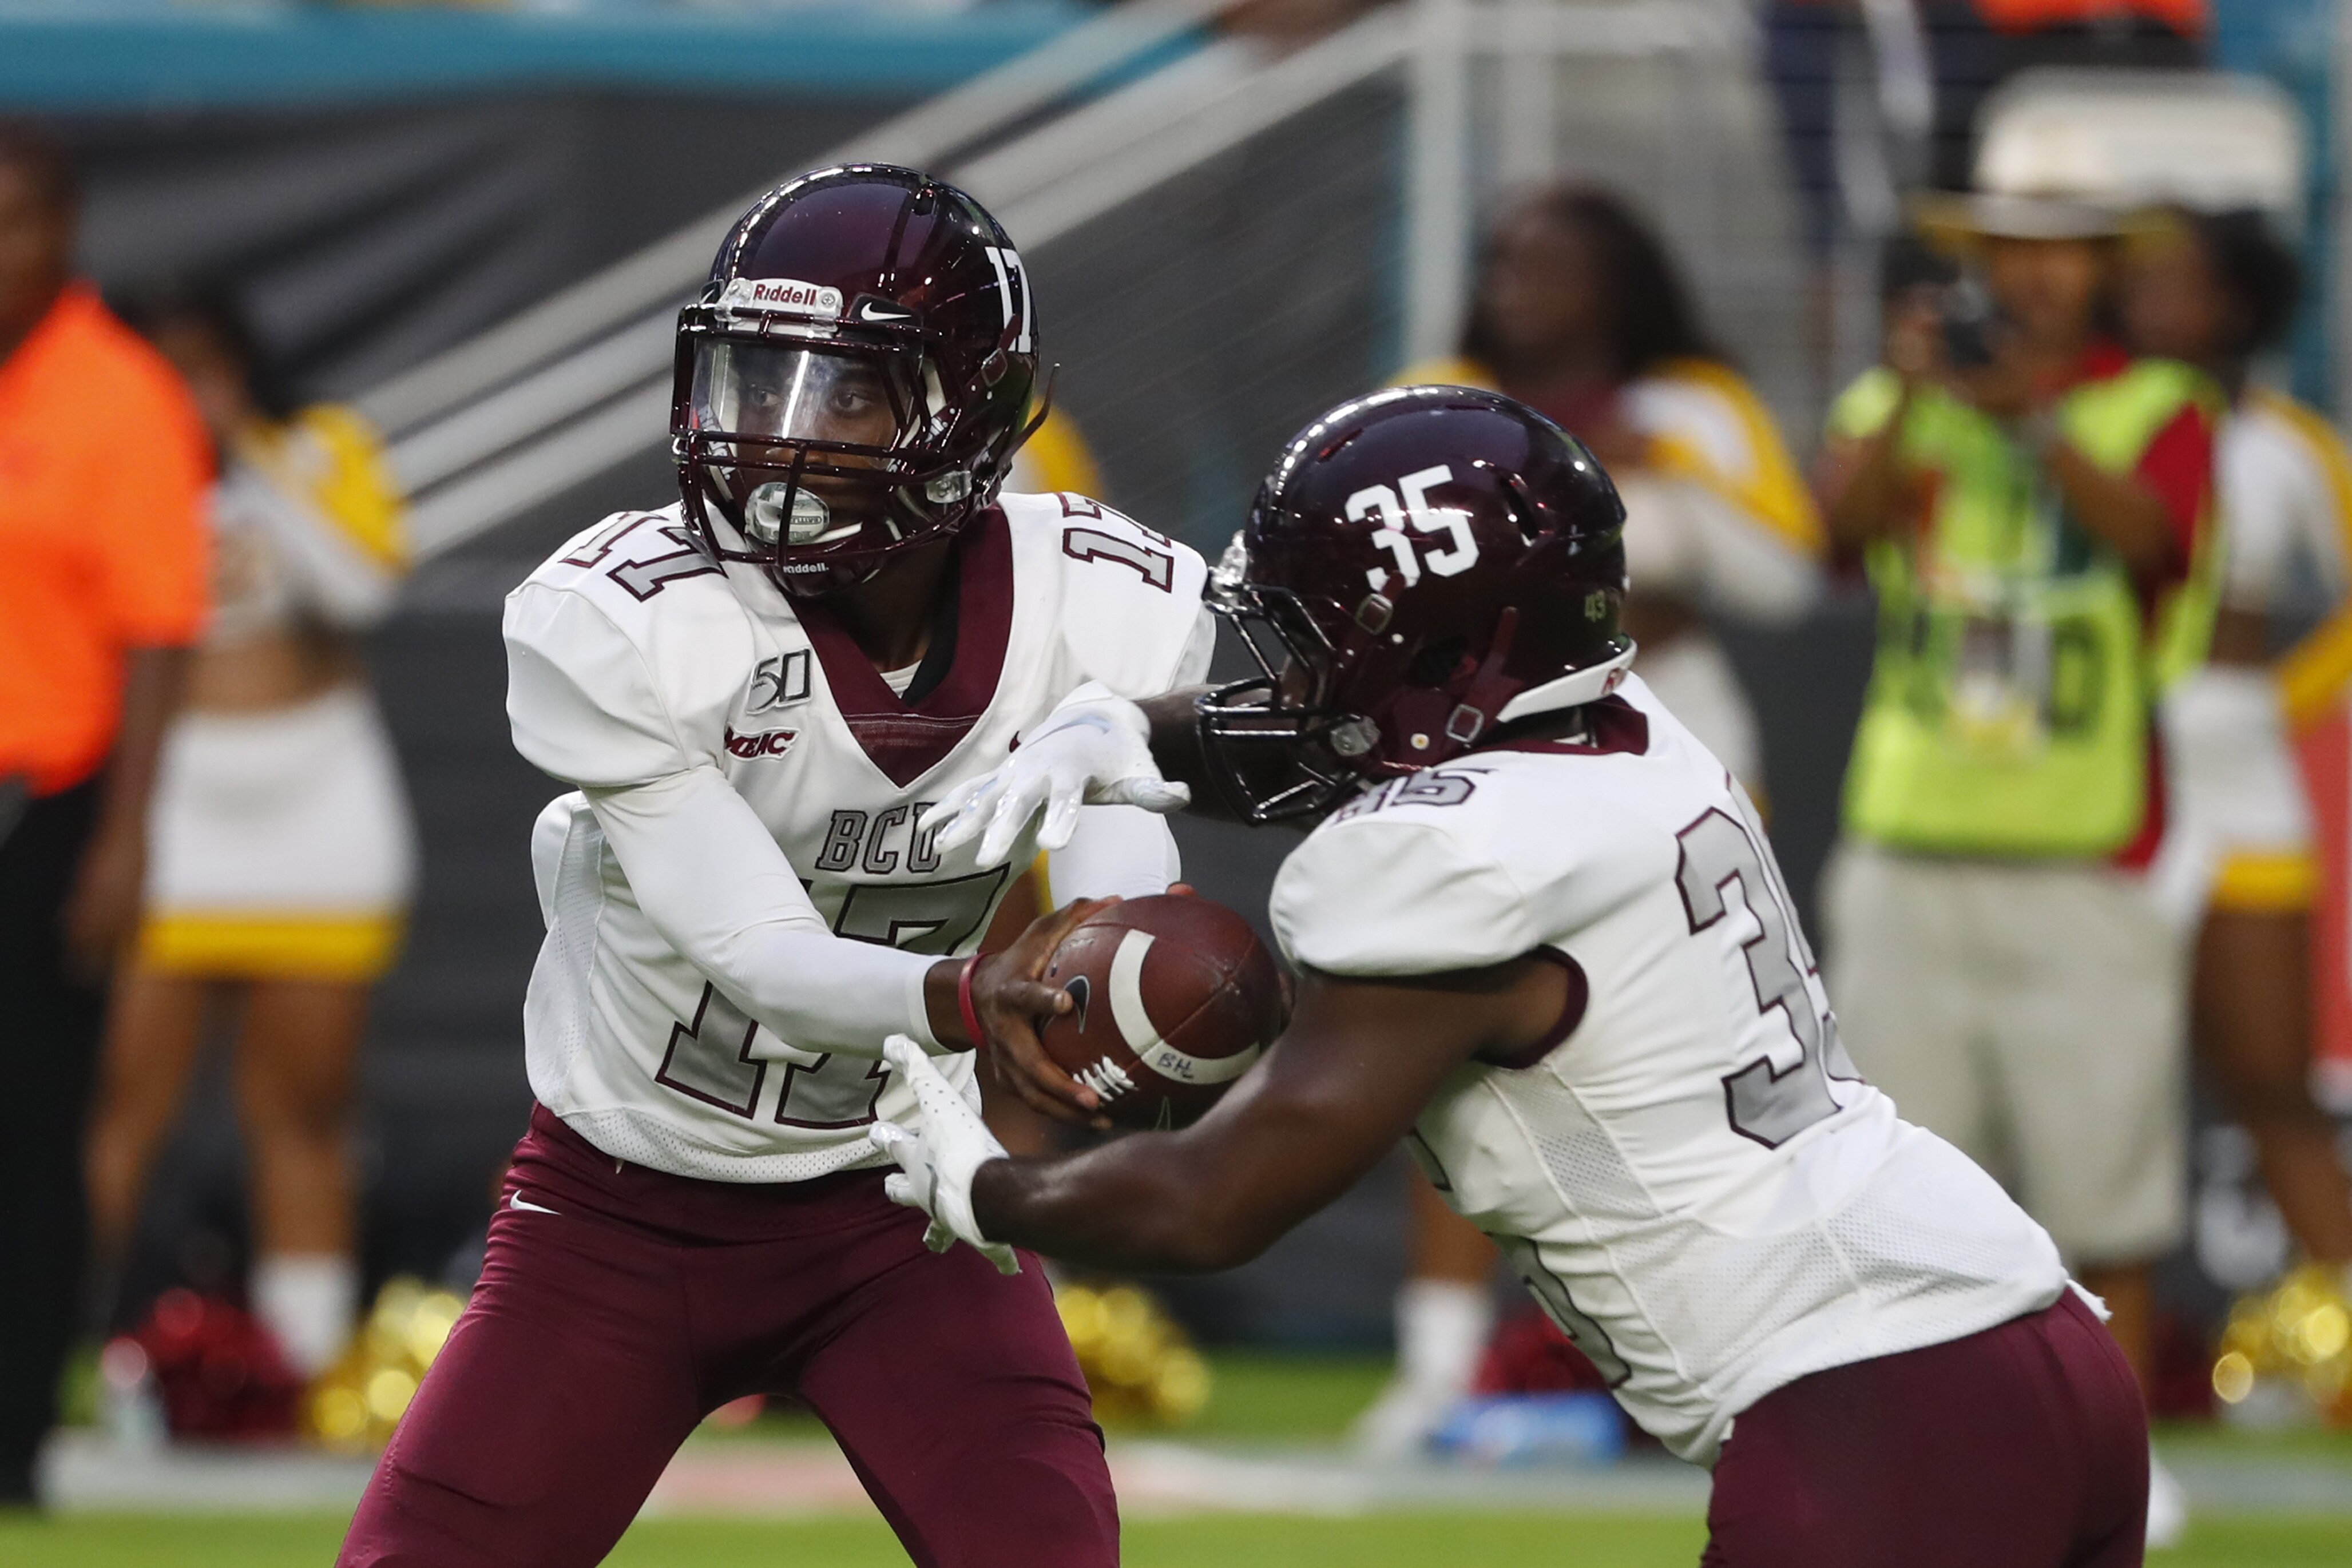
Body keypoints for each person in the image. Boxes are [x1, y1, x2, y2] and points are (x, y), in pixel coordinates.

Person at [896, 386, 2148, 1566]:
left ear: (1443, 658)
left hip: (1875, 1409)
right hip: (2025, 1339)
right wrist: (1134, 732)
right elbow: (1360, 745)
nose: (1289, 676)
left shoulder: (1447, 860)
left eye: (1323, 639)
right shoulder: (1637, 728)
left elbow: (1215, 1202)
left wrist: (987, 1188)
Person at [334, 164, 1213, 1568]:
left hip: (899, 1204)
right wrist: (987, 995)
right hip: (615, 1215)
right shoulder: (635, 624)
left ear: (968, 409)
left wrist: (1137, 987)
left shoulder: (1099, 602)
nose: (776, 438)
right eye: (753, 382)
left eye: (844, 395)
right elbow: (753, 955)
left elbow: (1118, 920)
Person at [1375, 184, 1825, 1452]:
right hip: (1483, 744)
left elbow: (1785, 579)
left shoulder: (1694, 408)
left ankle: (1741, 1362)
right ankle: (1438, 1371)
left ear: (1621, 282)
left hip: (1671, 733)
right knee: (1450, 1058)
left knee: (1697, 1061)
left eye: (1557, 261)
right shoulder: (1436, 387)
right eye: (1506, 257)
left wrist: (1649, 470)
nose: (1523, 282)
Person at [1813, 192, 2218, 1541]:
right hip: (1912, 838)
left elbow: (2151, 542)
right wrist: (1919, 390)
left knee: (2103, 1191)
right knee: (1886, 1188)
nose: (2032, 276)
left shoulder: (2154, 403)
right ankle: (1912, 1459)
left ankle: (2123, 1463)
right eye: (2010, 249)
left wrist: (2025, 420)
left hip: (2077, 846)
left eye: (2060, 249)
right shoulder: (1903, 389)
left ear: (2102, 270)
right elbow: (1832, 534)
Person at [81, 285, 414, 1382]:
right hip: (171, 807)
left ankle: (302, 1372)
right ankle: (61, 1358)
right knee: (123, 1105)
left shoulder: (318, 449)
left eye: (203, 366)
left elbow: (363, 592)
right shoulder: (104, 456)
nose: (185, 390)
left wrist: (250, 460)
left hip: (318, 796)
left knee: (306, 1108)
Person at [0, 124, 212, 1505]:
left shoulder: (118, 395)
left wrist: (127, 841)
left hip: (45, 806)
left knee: (27, 1130)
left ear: (65, 226)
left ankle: (13, 1431)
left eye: (12, 221)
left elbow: (158, 636)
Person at [2122, 207, 2352, 1283]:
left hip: (2242, 777)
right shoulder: (2094, 422)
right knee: (2101, 1086)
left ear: (2240, 304)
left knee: (2273, 1081)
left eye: (2183, 283)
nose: (2156, 303)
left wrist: (2283, 697)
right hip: (2110, 787)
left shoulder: (2292, 444)